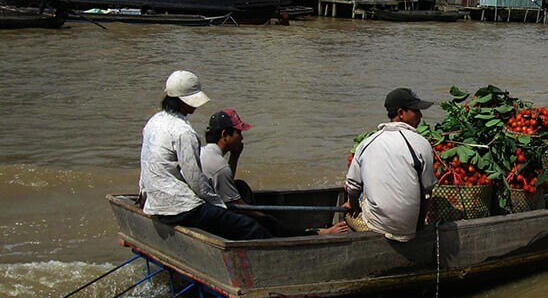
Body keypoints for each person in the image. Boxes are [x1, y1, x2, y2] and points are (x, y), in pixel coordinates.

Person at [139, 71, 272, 240]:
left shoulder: (153, 122)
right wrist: (218, 205)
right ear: (182, 101)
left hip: (155, 205)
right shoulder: (184, 132)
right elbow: (196, 180)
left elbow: (146, 163)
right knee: (249, 226)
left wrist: (143, 193)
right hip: (180, 208)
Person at [200, 109, 346, 236]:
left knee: (240, 186)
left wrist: (235, 156)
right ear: (225, 135)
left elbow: (227, 183)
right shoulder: (219, 165)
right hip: (218, 216)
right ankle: (317, 233)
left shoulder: (203, 153)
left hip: (210, 210)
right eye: (238, 132)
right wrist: (264, 217)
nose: (242, 137)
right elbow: (238, 204)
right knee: (269, 223)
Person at [345, 88, 437, 241]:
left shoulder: (367, 143)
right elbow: (427, 190)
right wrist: (419, 224)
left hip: (378, 226)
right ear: (401, 113)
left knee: (353, 206)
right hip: (411, 227)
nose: (421, 116)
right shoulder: (421, 143)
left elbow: (353, 186)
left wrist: (353, 206)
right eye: (416, 110)